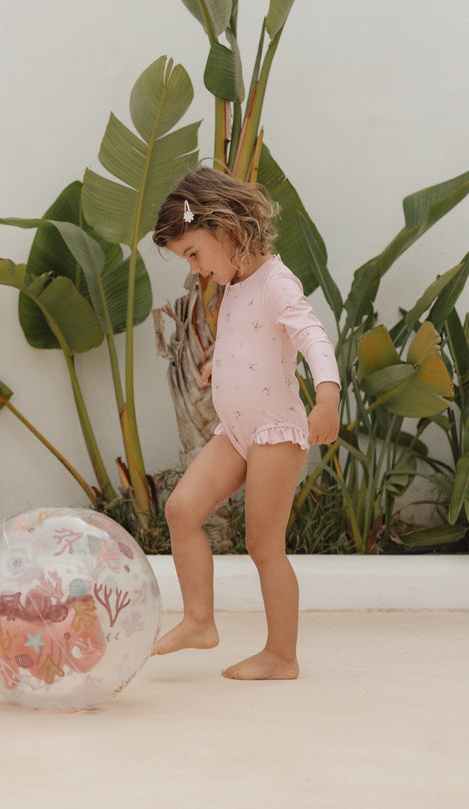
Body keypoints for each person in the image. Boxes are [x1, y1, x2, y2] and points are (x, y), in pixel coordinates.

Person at [150, 167, 341, 680]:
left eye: (193, 253)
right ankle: (198, 620)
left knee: (263, 545)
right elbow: (251, 342)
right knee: (182, 509)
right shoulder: (232, 281)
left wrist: (327, 396)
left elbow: (311, 337)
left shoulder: (277, 282)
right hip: (235, 433)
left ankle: (282, 656)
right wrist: (221, 366)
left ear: (225, 227)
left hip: (274, 434)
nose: (193, 269)